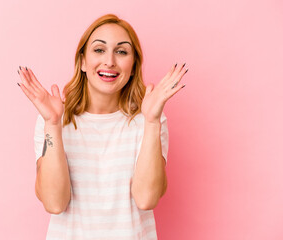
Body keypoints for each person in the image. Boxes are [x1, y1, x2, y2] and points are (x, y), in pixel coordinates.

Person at [17, 13, 187, 240]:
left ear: (134, 65)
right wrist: (52, 124)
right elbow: (54, 202)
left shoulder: (148, 119)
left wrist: (152, 122)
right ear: (83, 62)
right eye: (99, 50)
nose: (109, 61)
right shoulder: (53, 118)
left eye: (122, 51)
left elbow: (146, 199)